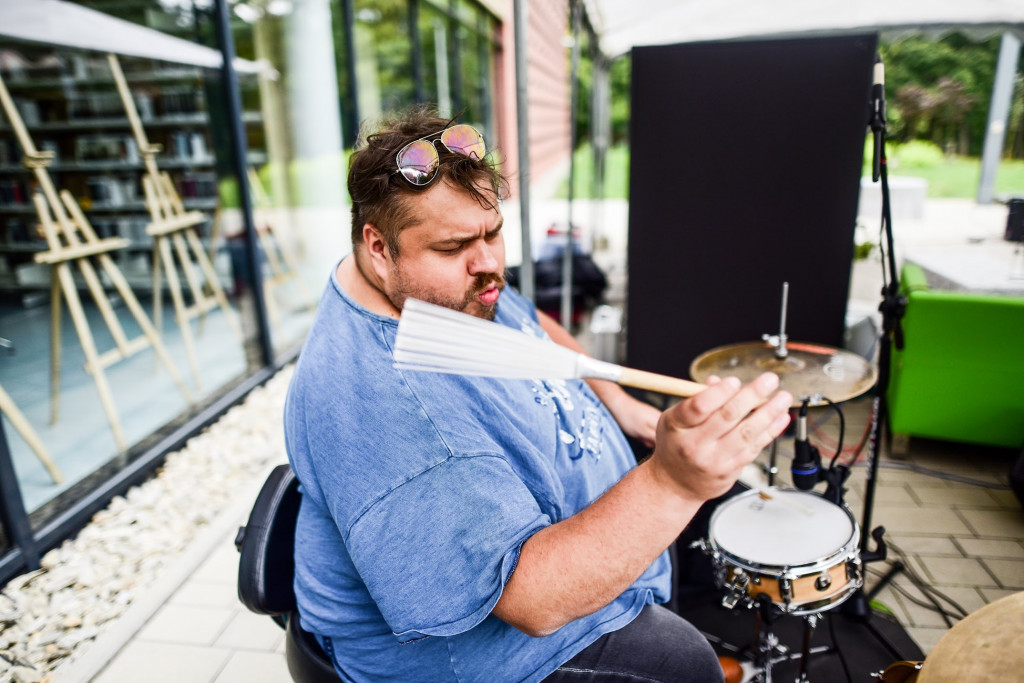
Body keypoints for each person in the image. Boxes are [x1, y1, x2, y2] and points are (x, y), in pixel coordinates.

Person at [283, 108, 793, 683]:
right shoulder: (388, 403)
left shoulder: (435, 289)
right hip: (485, 656)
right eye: (454, 247)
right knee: (683, 663)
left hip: (552, 559)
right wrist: (673, 482)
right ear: (378, 247)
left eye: (494, 233)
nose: (490, 265)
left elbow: (533, 325)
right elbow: (533, 601)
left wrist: (618, 403)